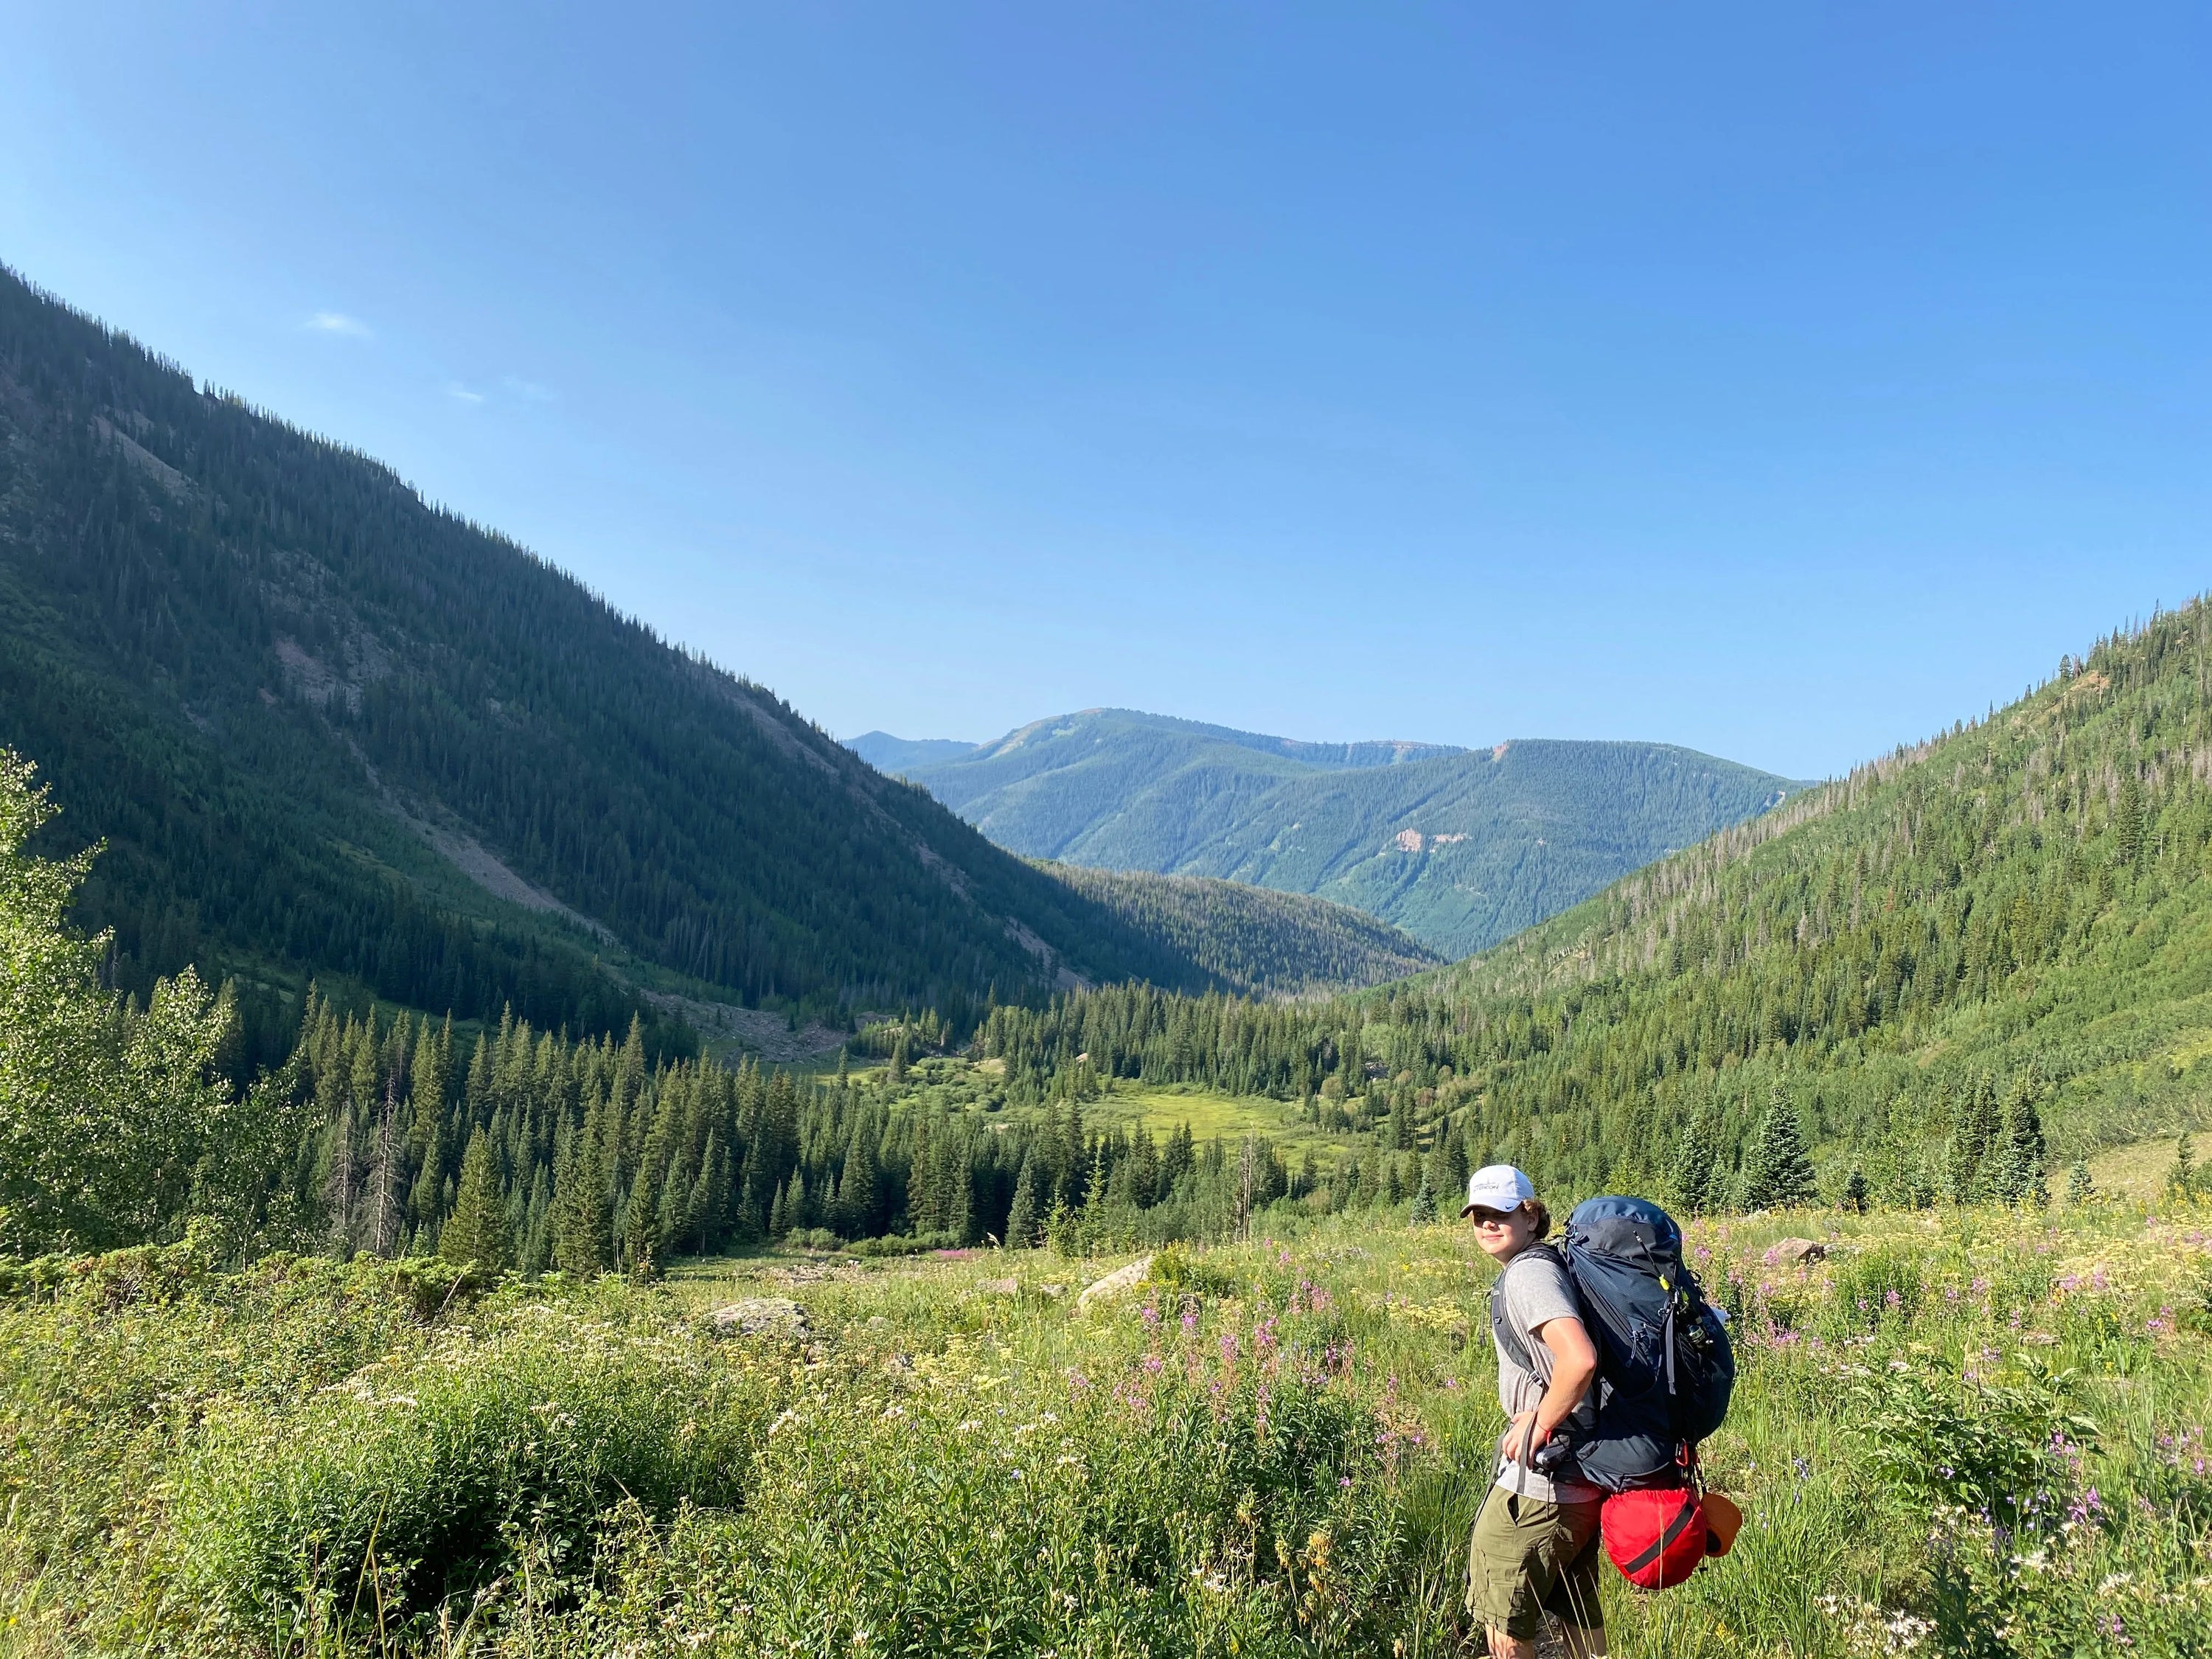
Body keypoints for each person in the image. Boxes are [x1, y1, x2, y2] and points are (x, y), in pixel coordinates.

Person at [1462, 1165, 1606, 1658]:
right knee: (1576, 1613)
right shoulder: (1549, 1266)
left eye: (1499, 1212)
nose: (1486, 1223)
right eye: (1477, 1214)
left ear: (1529, 1215)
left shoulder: (1528, 1276)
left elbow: (1580, 1358)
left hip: (1542, 1488)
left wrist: (1540, 1420)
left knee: (1504, 1624)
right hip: (1580, 1478)